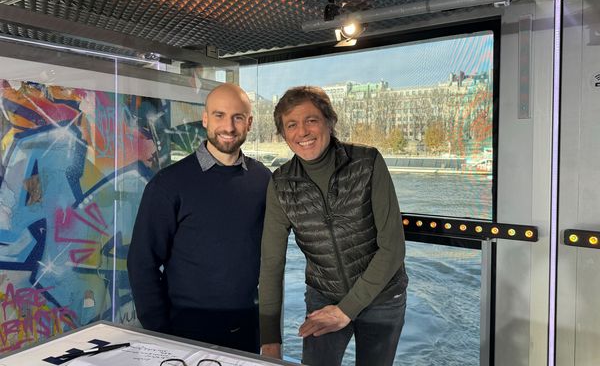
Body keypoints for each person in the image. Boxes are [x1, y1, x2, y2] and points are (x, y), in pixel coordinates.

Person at [259, 86, 408, 366]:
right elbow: (271, 264)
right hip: (323, 296)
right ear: (283, 134)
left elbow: (393, 248)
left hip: (382, 297)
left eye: (311, 120)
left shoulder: (368, 162)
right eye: (291, 125)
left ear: (329, 121)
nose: (302, 132)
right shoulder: (280, 184)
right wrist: (270, 339)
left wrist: (345, 310)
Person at [127, 83, 271, 353]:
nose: (228, 127)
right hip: (185, 330)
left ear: (249, 122)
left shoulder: (263, 180)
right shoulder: (169, 184)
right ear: (205, 119)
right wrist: (161, 334)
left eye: (237, 117)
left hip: (247, 327)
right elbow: (141, 263)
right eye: (219, 115)